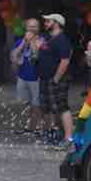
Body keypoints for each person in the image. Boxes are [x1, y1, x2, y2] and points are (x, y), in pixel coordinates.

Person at [37, 14, 74, 151]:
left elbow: (65, 61)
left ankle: (69, 139)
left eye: (48, 21)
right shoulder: (47, 37)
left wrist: (56, 78)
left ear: (57, 23)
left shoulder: (62, 39)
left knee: (61, 107)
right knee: (47, 108)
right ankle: (55, 134)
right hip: (45, 78)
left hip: (57, 78)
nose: (45, 23)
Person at [10, 18, 43, 134]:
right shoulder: (20, 41)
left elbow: (36, 57)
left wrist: (32, 42)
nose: (32, 28)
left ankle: (38, 126)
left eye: (35, 26)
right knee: (24, 103)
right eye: (30, 26)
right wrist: (24, 42)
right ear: (26, 28)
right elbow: (14, 56)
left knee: (36, 104)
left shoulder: (42, 40)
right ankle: (28, 125)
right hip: (22, 76)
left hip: (36, 77)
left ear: (38, 28)